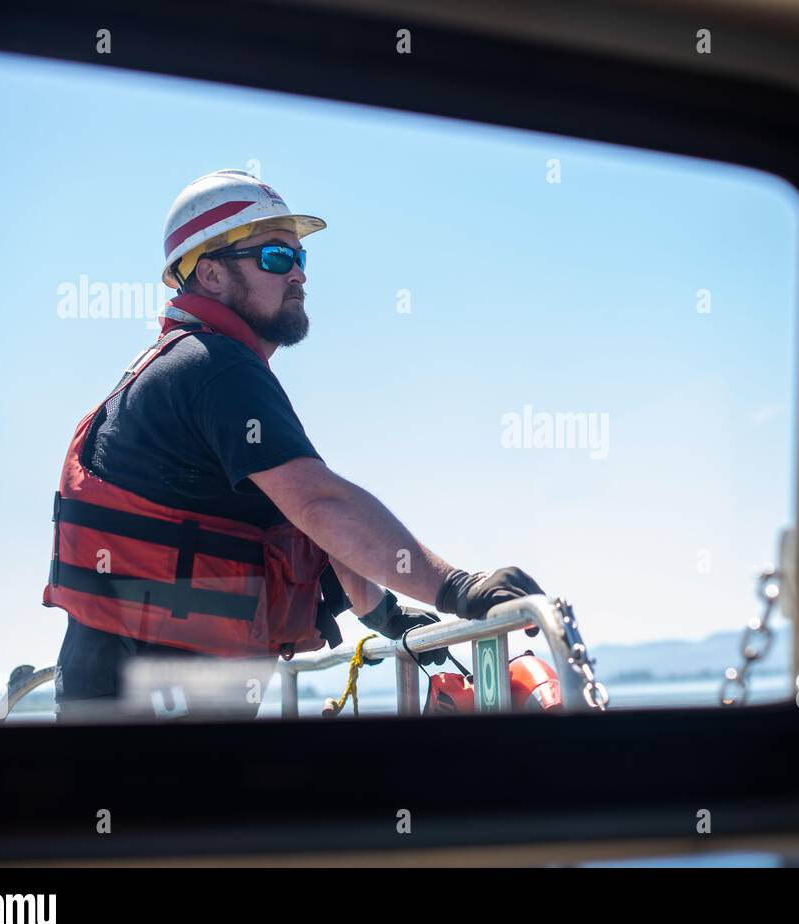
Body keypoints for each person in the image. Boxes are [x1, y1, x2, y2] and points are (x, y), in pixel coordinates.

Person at [45, 169, 544, 720]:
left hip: (129, 682)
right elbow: (319, 502)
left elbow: (308, 517)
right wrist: (457, 588)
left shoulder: (187, 364)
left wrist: (384, 616)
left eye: (301, 258)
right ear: (209, 274)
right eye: (276, 257)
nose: (298, 275)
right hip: (154, 695)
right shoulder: (214, 367)